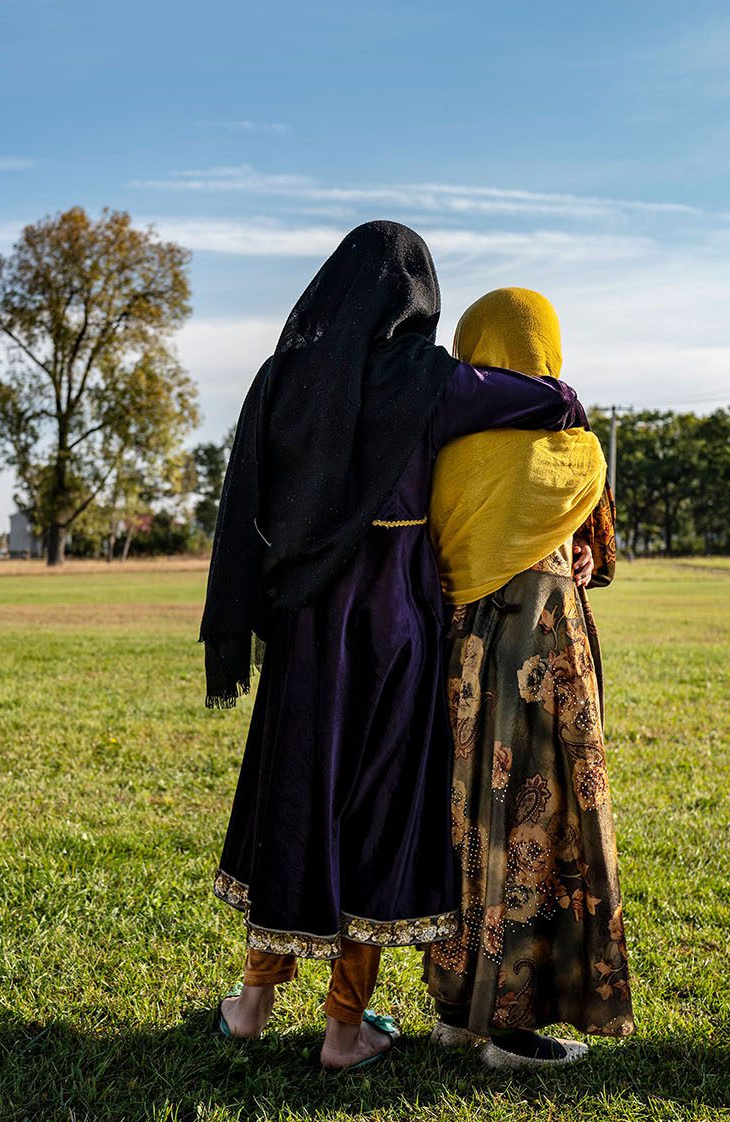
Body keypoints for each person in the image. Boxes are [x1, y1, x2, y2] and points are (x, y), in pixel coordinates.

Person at [200, 224, 589, 1072]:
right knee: (373, 810)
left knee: (294, 798)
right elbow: (530, 396)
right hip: (394, 625)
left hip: (306, 622)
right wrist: (567, 405)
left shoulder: (280, 378)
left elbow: (247, 501)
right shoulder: (422, 378)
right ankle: (345, 1028)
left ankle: (253, 1003)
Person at [421, 287, 635, 1070]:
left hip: (462, 658)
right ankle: (509, 1029)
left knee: (466, 827)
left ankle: (458, 1007)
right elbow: (596, 551)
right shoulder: (577, 448)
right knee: (541, 831)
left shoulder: (443, 449)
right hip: (549, 658)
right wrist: (580, 556)